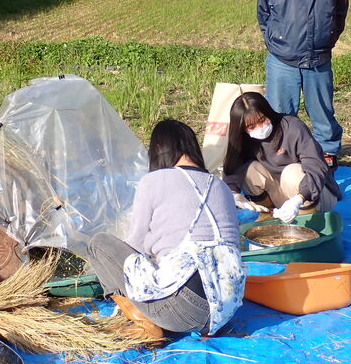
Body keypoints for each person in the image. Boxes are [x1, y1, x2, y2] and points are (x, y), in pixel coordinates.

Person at [87, 120, 244, 342]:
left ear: (159, 147)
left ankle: (143, 322)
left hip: (182, 310)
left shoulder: (153, 180)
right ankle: (196, 326)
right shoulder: (221, 186)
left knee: (98, 244)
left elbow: (136, 246)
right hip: (226, 310)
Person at [257, 0, 349, 176]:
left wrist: (327, 39)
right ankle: (282, 165)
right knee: (280, 117)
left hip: (318, 59)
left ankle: (326, 160)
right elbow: (263, 14)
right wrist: (278, 41)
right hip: (282, 61)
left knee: (322, 115)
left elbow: (340, 10)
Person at [222, 92, 339, 223]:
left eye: (262, 120)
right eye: (251, 126)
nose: (260, 128)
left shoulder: (292, 127)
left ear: (269, 113)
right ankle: (269, 216)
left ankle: (308, 222)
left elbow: (316, 167)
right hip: (280, 196)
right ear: (242, 129)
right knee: (250, 170)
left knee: (291, 172)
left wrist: (298, 199)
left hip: (314, 194)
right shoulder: (244, 140)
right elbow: (232, 171)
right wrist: (233, 195)